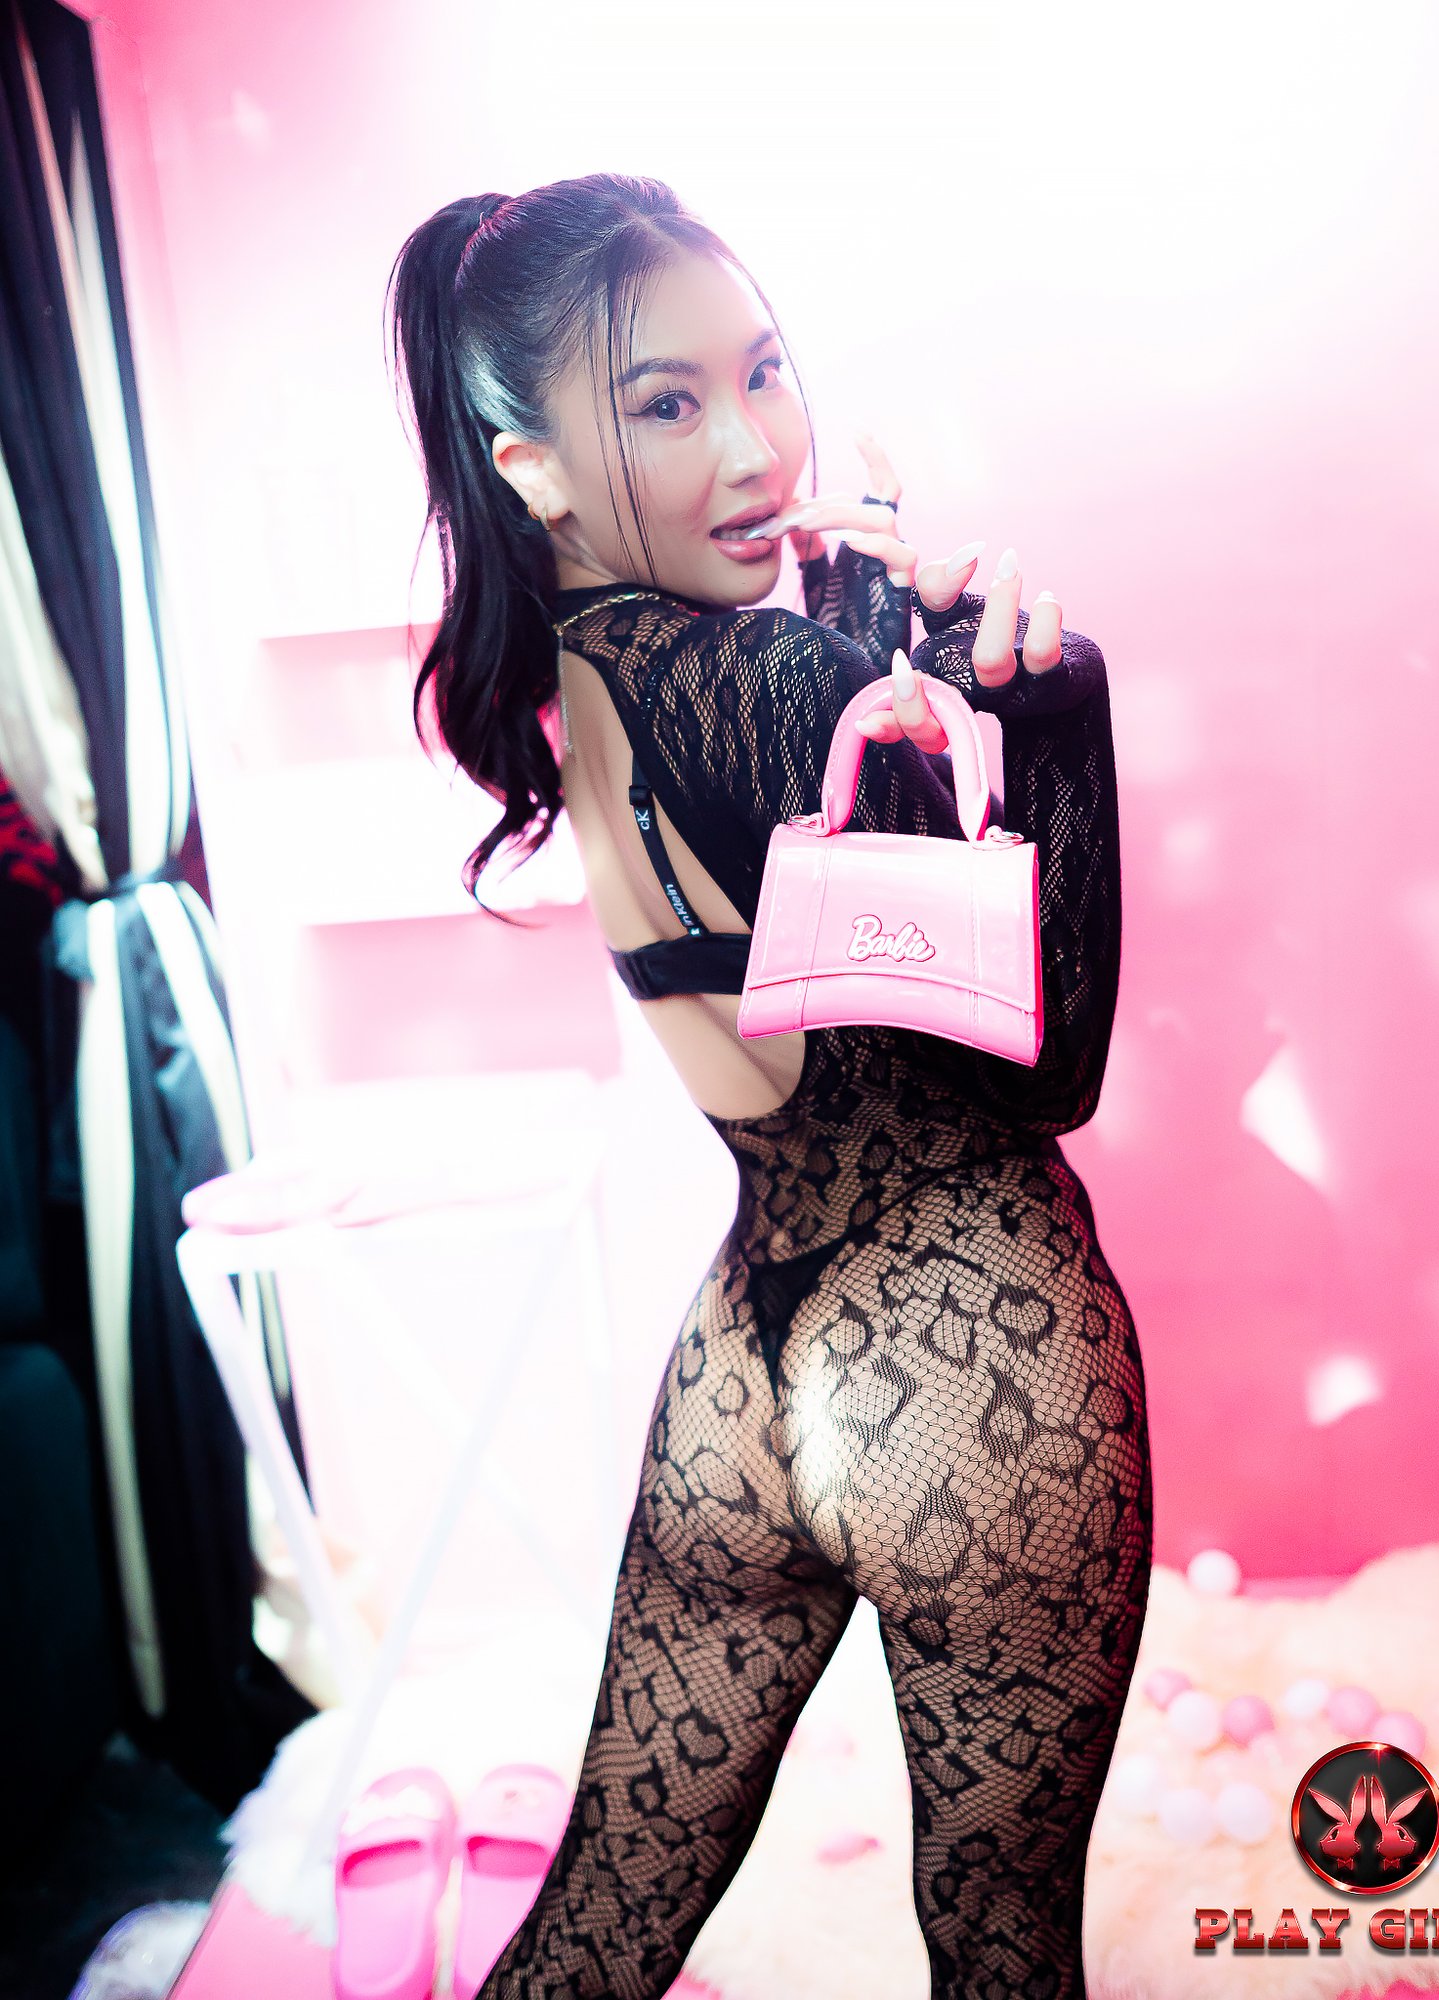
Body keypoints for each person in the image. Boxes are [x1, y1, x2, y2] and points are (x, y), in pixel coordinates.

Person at [385, 171, 1153, 2000]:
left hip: (753, 1363)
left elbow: (789, 924)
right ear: (529, 466)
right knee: (1000, 1948)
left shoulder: (571, 678)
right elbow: (1043, 1067)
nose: (751, 446)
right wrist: (1055, 708)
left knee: (597, 1926)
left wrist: (869, 616)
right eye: (665, 403)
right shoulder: (776, 678)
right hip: (966, 1348)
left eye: (765, 371)